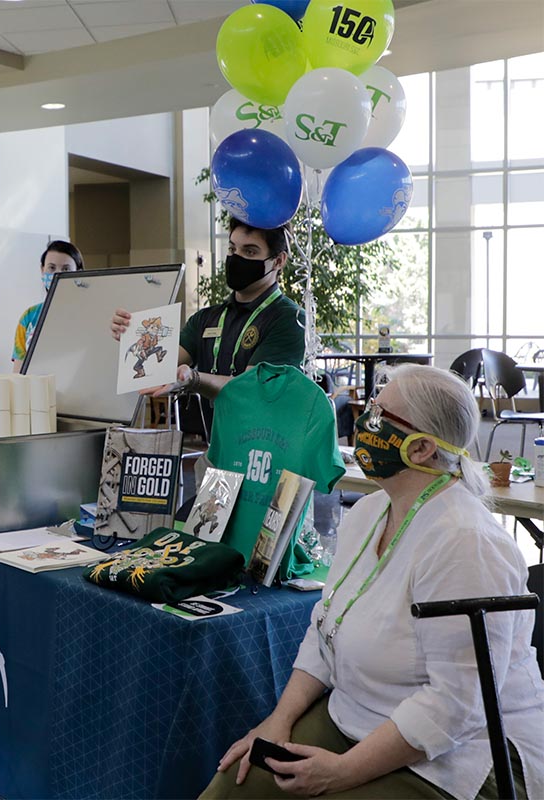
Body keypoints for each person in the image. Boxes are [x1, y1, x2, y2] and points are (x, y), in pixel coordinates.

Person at [202, 365, 544, 800]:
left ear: (420, 448)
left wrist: (343, 772)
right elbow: (326, 625)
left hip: (461, 754)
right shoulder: (369, 512)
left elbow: (457, 705)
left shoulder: (465, 543)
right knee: (235, 786)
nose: (365, 422)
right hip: (356, 715)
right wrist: (279, 718)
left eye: (381, 415)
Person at [110, 219, 303, 429]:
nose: (236, 258)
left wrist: (194, 379)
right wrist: (133, 336)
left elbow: (251, 390)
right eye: (232, 248)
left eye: (250, 252)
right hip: (217, 450)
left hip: (268, 453)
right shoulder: (205, 319)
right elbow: (158, 369)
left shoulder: (290, 319)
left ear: (278, 261)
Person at [12, 240, 83, 371]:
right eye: (51, 267)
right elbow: (18, 373)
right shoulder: (29, 317)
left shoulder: (88, 314)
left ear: (78, 272)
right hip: (37, 390)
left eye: (66, 269)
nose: (57, 273)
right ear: (42, 269)